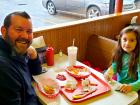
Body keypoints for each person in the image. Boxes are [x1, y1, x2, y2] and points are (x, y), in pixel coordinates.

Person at [0, 11, 42, 105]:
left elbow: (36, 73)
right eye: (19, 29)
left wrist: (34, 54)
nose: (25, 36)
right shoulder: (3, 67)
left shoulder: (14, 49)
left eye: (29, 31)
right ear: (4, 31)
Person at [104, 26, 140, 104]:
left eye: (132, 40)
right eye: (125, 39)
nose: (127, 43)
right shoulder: (119, 53)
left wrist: (131, 87)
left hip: (133, 92)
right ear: (120, 40)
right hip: (119, 88)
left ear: (137, 42)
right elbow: (114, 66)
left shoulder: (138, 58)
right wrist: (109, 72)